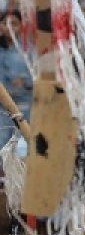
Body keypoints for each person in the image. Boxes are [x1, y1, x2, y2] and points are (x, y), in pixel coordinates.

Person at [0, 9, 34, 149]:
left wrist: (24, 80)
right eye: (4, 23)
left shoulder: (30, 51)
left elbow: (38, 76)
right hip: (2, 107)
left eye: (14, 23)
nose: (9, 27)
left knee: (24, 145)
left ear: (21, 26)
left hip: (24, 105)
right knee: (2, 145)